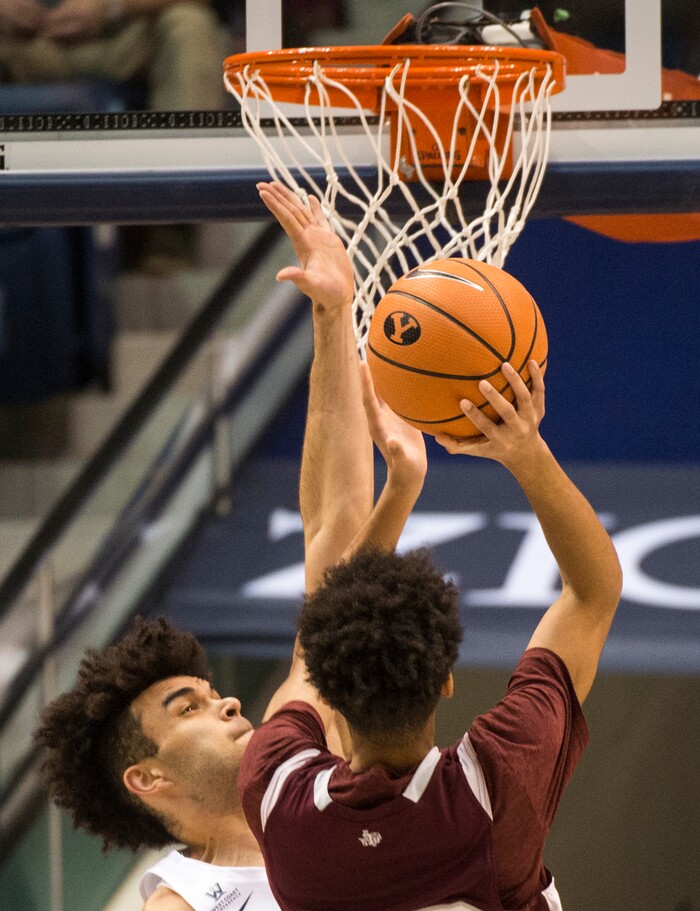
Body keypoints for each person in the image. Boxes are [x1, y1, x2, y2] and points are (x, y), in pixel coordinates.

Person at [33, 180, 426, 911]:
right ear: (148, 777)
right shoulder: (179, 902)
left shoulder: (299, 773)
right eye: (188, 707)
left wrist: (334, 313)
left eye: (207, 693)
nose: (230, 701)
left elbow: (332, 542)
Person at [237, 233, 624, 906]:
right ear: (446, 679)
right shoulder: (494, 785)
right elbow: (593, 593)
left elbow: (323, 599)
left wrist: (400, 486)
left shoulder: (278, 797)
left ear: (327, 685)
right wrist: (522, 451)